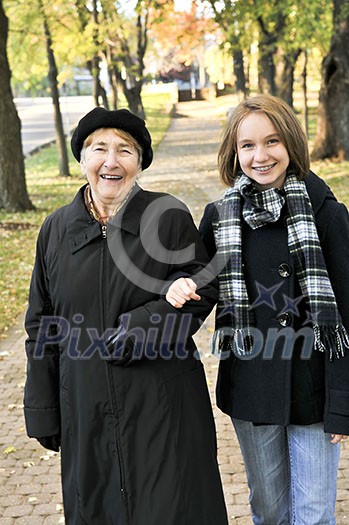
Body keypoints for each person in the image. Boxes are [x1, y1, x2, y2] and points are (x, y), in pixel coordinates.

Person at [23, 107, 228, 525]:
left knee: (172, 508)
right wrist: (43, 407)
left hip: (164, 408)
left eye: (125, 150)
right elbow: (40, 324)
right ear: (83, 158)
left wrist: (142, 327)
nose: (111, 161)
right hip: (85, 408)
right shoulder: (55, 230)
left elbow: (202, 286)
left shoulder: (167, 216)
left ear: (139, 162)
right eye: (99, 148)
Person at [166, 94, 349, 524]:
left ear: (291, 144)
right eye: (247, 145)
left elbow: (346, 315)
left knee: (313, 513)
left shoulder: (326, 212)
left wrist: (343, 401)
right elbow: (202, 285)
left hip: (315, 389)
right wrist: (179, 288)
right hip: (252, 385)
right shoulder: (219, 216)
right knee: (268, 511)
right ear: (233, 152)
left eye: (272, 142)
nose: (261, 155)